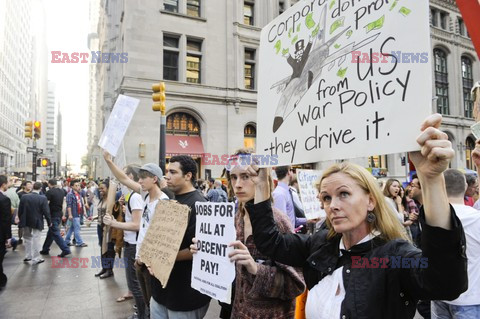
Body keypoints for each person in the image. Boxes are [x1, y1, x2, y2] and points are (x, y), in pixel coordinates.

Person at [244, 114, 467, 319]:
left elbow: (445, 283)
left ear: (371, 200)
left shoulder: (394, 256)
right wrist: (262, 187)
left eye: (344, 194)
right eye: (327, 198)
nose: (333, 206)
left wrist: (431, 180)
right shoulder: (321, 245)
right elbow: (270, 242)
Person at [191, 149, 305, 318]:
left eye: (245, 176)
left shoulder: (278, 221)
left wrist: (256, 269)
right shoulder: (234, 219)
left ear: (261, 179)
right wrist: (206, 251)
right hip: (235, 311)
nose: (238, 184)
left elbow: (295, 284)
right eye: (234, 177)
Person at [103, 151, 171, 319]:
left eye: (143, 178)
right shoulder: (145, 195)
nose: (139, 181)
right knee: (143, 295)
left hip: (151, 261)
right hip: (140, 256)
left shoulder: (164, 202)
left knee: (150, 298)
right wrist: (109, 161)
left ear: (154, 179)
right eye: (139, 178)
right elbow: (124, 179)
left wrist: (149, 259)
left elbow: (162, 238)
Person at [150, 155, 211, 318]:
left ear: (188, 176)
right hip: (160, 293)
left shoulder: (201, 205)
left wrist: (164, 257)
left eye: (172, 172)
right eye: (166, 172)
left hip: (185, 297)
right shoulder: (169, 199)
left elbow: (200, 250)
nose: (167, 176)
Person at [430, 169, 480, 318]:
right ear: (465, 187)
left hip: (438, 294)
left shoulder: (429, 218)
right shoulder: (476, 219)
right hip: (469, 297)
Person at [18, 182, 52, 265]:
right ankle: (36, 258)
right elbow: (46, 212)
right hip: (37, 220)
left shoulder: (24, 197)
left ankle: (28, 255)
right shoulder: (43, 198)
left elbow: (20, 210)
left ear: (33, 187)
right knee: (36, 239)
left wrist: (20, 218)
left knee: (27, 238)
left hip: (26, 220)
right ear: (40, 188)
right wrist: (49, 222)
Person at [40, 179, 71, 257]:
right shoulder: (62, 191)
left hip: (52, 214)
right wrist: (63, 214)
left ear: (49, 184)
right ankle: (45, 249)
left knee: (55, 233)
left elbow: (46, 204)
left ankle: (65, 249)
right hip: (59, 214)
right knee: (51, 233)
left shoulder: (49, 192)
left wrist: (45, 215)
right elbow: (64, 203)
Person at [94, 180, 118, 279]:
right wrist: (95, 217)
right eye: (100, 188)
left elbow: (113, 214)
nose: (101, 190)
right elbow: (101, 212)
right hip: (100, 226)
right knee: (102, 247)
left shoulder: (111, 200)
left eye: (103, 188)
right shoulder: (102, 199)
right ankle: (104, 268)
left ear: (108, 189)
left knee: (109, 249)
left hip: (108, 228)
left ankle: (109, 270)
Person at [273, 166, 306, 231]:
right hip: (287, 238)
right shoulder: (280, 194)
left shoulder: (286, 191)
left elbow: (292, 219)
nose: (293, 173)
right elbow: (281, 223)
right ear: (288, 172)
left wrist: (308, 220)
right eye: (292, 170)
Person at [64, 180, 88, 247]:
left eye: (78, 185)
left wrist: (84, 212)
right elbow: (69, 205)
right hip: (74, 214)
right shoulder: (70, 194)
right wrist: (70, 214)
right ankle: (79, 242)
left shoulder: (79, 193)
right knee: (77, 228)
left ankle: (66, 241)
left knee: (71, 228)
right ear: (72, 186)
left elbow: (81, 204)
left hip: (78, 213)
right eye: (76, 185)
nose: (78, 187)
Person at [0, 175, 12, 288]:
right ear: (3, 184)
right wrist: (8, 237)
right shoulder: (4, 199)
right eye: (8, 182)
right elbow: (5, 220)